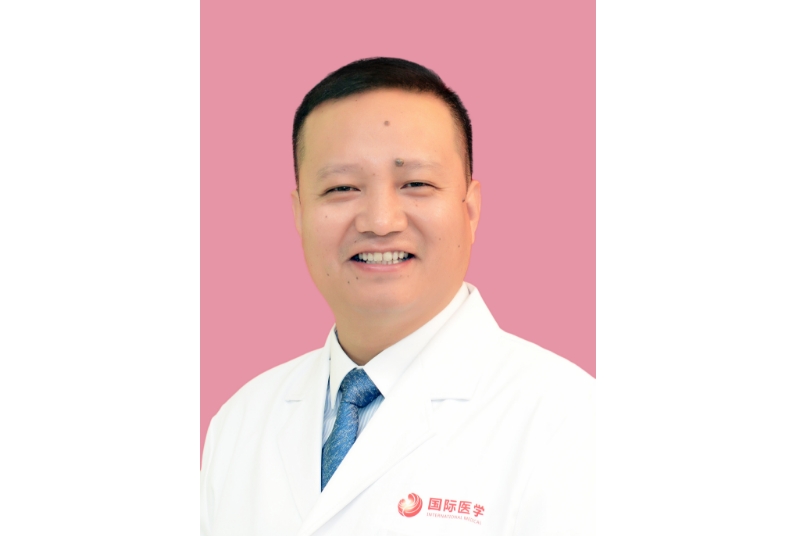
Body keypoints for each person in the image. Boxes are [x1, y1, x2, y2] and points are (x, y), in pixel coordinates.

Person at [200, 57, 594, 536]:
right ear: (299, 213)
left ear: (470, 210)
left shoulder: (570, 418)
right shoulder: (241, 422)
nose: (380, 221)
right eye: (341, 187)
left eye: (416, 184)